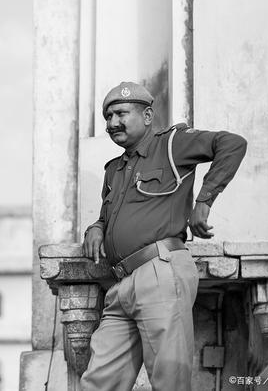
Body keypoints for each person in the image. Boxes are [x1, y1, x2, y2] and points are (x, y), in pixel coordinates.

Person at [80, 82, 247, 390]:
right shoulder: (114, 169)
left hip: (160, 271)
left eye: (120, 113)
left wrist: (204, 201)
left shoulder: (172, 144)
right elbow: (110, 215)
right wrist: (97, 228)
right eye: (107, 116)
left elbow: (232, 143)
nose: (111, 123)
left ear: (146, 115)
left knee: (168, 379)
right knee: (98, 381)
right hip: (121, 285)